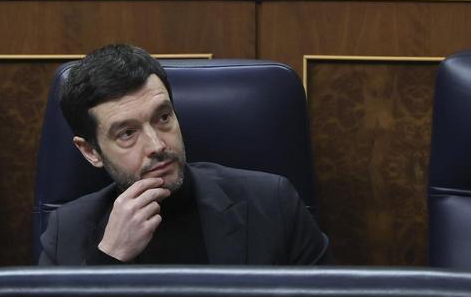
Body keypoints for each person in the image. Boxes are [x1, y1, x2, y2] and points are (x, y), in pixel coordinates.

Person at [38, 43, 331, 265]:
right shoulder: (67, 234)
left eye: (163, 117)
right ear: (91, 152)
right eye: (127, 133)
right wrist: (109, 258)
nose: (157, 145)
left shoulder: (273, 205)